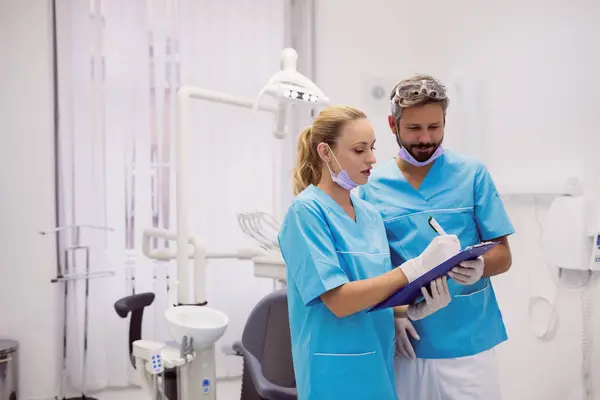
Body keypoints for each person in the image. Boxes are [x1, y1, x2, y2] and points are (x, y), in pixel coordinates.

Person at [277, 105, 461, 400]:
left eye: (372, 148)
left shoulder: (370, 216)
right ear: (325, 152)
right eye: (359, 150)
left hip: (378, 369)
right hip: (332, 375)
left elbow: (375, 293)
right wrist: (411, 269)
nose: (372, 159)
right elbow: (339, 301)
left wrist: (411, 308)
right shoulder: (306, 213)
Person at [359, 75, 515, 399]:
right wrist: (395, 313)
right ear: (393, 124)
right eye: (415, 129)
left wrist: (480, 266)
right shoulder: (371, 186)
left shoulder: (472, 174)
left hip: (468, 342)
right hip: (406, 343)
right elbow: (369, 266)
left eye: (435, 127)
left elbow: (503, 255)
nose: (426, 138)